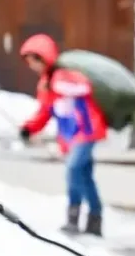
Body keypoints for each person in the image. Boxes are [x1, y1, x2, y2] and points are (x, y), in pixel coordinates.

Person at [16, 34, 107, 237]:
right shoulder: (46, 83)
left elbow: (85, 87)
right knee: (84, 177)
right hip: (70, 136)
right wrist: (29, 128)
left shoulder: (64, 75)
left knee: (73, 170)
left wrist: (57, 85)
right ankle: (93, 219)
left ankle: (78, 219)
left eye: (33, 61)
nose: (32, 66)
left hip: (86, 131)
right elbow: (45, 112)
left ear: (43, 58)